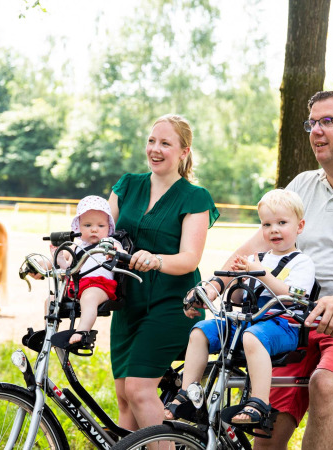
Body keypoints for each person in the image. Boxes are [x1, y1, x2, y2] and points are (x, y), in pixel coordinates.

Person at [213, 91, 333, 449]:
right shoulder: (302, 185)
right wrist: (215, 285)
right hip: (296, 318)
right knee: (267, 424)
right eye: (312, 123)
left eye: (328, 121)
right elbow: (253, 247)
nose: (316, 130)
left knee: (326, 384)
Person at [164, 189, 315, 426]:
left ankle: (259, 401)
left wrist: (260, 273)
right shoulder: (258, 258)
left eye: (282, 223)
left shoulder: (302, 262)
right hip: (248, 322)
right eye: (266, 224)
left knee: (252, 337)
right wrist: (239, 278)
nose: (273, 230)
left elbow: (293, 296)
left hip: (283, 324)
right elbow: (240, 296)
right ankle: (189, 393)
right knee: (200, 331)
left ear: (300, 226)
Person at [109, 113, 219, 431]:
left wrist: (155, 260)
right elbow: (101, 232)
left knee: (139, 390)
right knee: (124, 396)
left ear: (184, 151)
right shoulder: (127, 185)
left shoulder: (195, 197)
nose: (155, 149)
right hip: (128, 303)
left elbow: (189, 258)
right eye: (152, 141)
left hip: (173, 304)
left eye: (166, 144)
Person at [53, 195, 125, 345]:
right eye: (87, 225)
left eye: (101, 226)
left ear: (109, 227)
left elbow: (122, 253)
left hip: (100, 285)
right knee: (52, 299)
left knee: (89, 298)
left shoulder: (110, 242)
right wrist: (59, 259)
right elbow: (70, 270)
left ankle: (82, 331)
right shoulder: (78, 247)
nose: (94, 229)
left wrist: (116, 253)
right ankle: (50, 331)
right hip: (78, 285)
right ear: (78, 227)